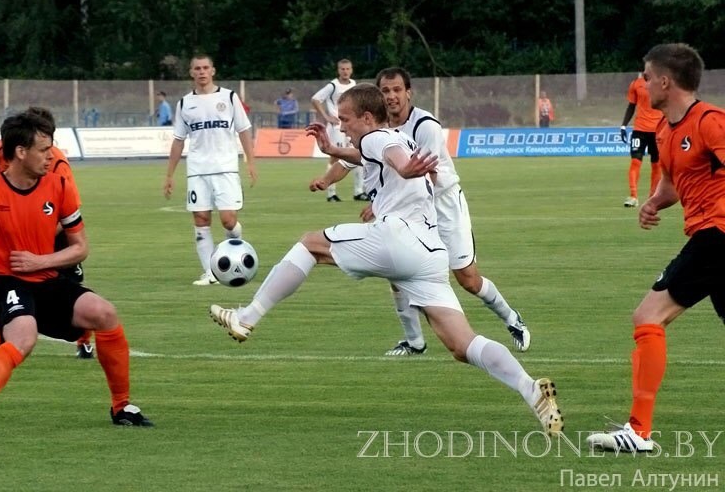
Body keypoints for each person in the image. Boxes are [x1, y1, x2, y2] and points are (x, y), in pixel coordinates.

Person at [209, 84, 564, 435]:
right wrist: (333, 149)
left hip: (398, 238)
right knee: (462, 345)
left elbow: (390, 155)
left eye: (345, 119)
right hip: (430, 254)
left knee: (309, 245)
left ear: (367, 117)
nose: (341, 125)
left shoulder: (377, 138)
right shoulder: (395, 138)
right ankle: (531, 388)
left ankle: (247, 317)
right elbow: (374, 155)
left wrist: (406, 169)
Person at [0, 110, 152, 437]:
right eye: (43, 150)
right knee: (23, 337)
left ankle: (122, 406)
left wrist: (40, 262)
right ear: (20, 152)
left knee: (105, 313)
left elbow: (80, 247)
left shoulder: (59, 185)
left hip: (46, 278)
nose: (51, 156)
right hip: (4, 282)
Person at [312, 68, 530, 354]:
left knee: (468, 279)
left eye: (397, 90)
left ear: (409, 93)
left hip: (443, 204)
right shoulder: (376, 128)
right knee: (397, 272)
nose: (391, 96)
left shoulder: (425, 125)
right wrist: (326, 179)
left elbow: (426, 173)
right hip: (409, 211)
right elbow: (357, 158)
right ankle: (414, 341)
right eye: (385, 91)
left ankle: (511, 318)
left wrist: (380, 202)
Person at [587, 43, 722, 452]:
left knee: (648, 316)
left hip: (717, 236)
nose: (641, 84)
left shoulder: (710, 121)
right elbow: (673, 184)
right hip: (709, 236)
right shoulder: (665, 129)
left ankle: (638, 431)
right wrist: (653, 203)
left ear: (665, 81)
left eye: (646, 77)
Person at [0, 107, 94, 361]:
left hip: (53, 230)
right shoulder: (1, 150)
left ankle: (84, 341)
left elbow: (68, 212)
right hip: (15, 229)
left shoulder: (58, 165)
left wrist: (40, 237)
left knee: (69, 286)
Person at [163, 54, 258, 286]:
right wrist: (169, 175)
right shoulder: (185, 103)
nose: (202, 72)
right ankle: (211, 273)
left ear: (213, 71)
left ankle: (235, 245)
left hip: (226, 169)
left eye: (205, 67)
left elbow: (243, 130)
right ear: (191, 72)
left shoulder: (229, 97)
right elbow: (178, 140)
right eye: (197, 68)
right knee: (201, 219)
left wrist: (250, 162)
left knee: (228, 221)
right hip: (197, 170)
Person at [311, 58, 368, 201]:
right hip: (337, 127)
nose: (345, 71)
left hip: (352, 125)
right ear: (338, 70)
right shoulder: (333, 86)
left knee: (358, 154)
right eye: (343, 69)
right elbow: (316, 99)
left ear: (351, 70)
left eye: (348, 69)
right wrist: (327, 116)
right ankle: (331, 193)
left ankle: (358, 191)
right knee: (336, 156)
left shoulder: (354, 84)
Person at [620, 72, 663, 208]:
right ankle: (633, 196)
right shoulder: (636, 84)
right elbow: (631, 106)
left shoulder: (662, 83)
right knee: (635, 162)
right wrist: (623, 126)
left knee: (656, 164)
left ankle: (652, 197)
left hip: (658, 130)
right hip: (639, 130)